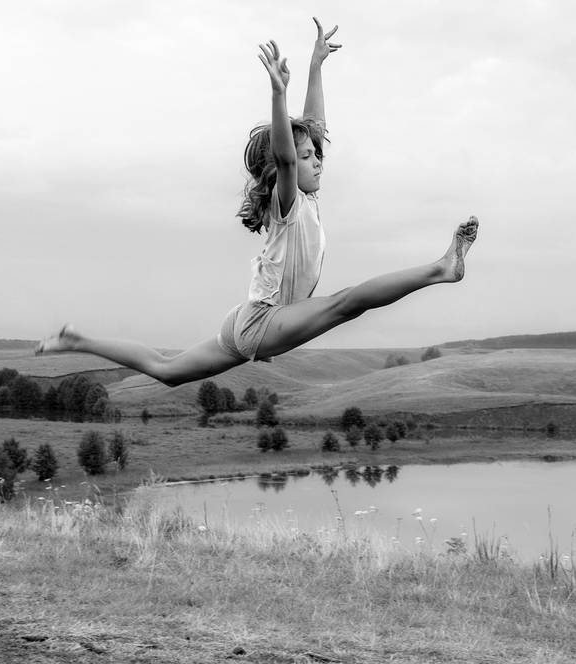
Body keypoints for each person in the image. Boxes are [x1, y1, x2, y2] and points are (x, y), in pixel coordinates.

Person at [35, 18, 478, 387]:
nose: (317, 160)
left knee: (166, 370)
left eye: (317, 155)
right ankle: (441, 269)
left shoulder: (307, 196)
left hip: (248, 320)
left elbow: (314, 127)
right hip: (264, 321)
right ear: (286, 168)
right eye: (307, 157)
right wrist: (278, 94)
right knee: (346, 303)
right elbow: (286, 156)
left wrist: (316, 66)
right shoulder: (288, 203)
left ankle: (76, 340)